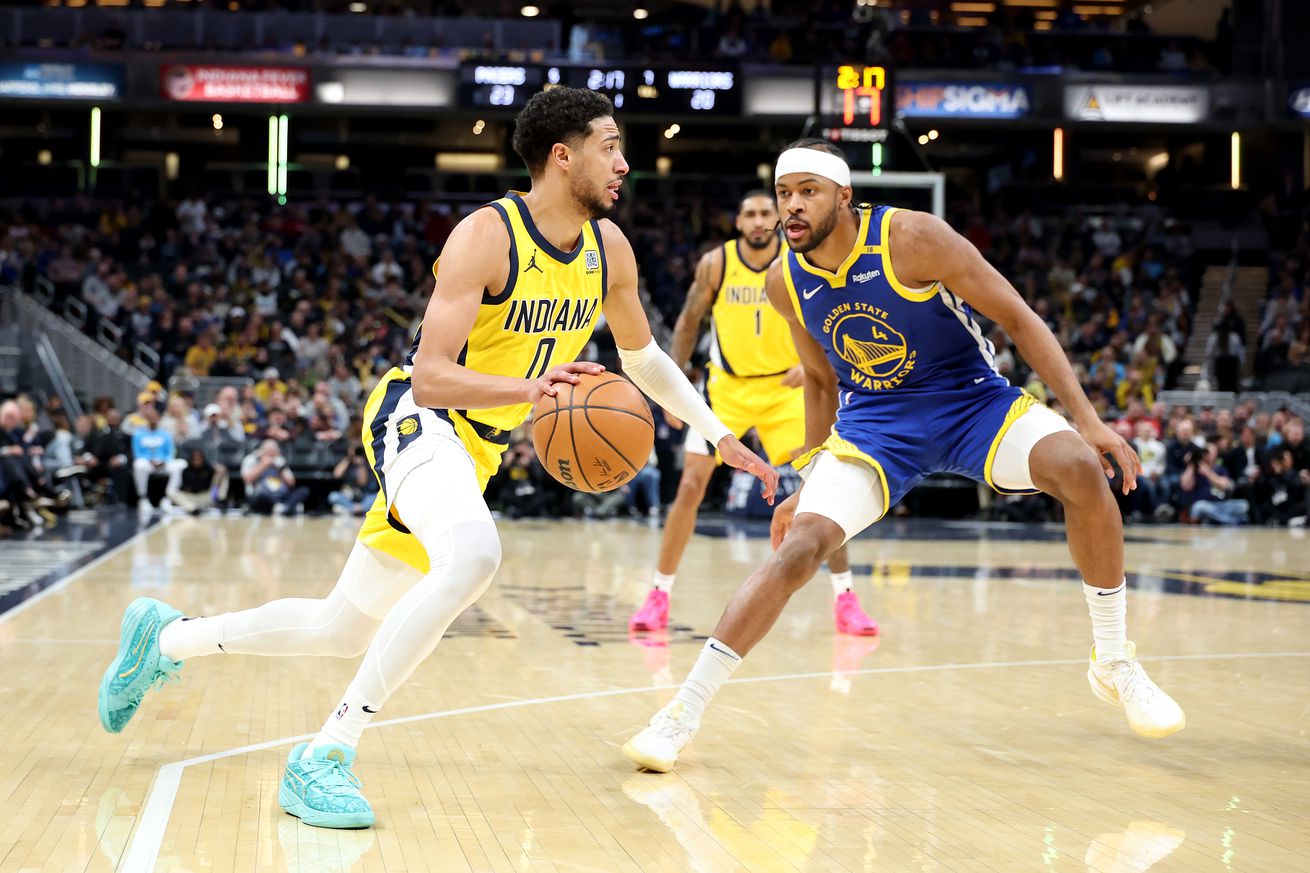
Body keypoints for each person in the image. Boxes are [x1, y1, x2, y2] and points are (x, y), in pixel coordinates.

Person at [97, 88, 775, 830]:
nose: (624, 161)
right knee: (475, 552)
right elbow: (430, 374)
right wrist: (532, 387)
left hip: (473, 451)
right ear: (563, 155)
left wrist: (713, 429)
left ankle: (162, 637)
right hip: (418, 420)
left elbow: (642, 357)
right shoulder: (486, 235)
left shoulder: (610, 247)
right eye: (610, 145)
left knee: (341, 628)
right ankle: (325, 753)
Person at [624, 141, 1185, 774]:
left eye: (808, 191)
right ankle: (681, 714)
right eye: (784, 194)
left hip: (972, 403)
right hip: (876, 427)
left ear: (845, 196)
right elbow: (818, 380)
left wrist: (1086, 418)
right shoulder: (786, 279)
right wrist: (806, 475)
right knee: (800, 546)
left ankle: (1112, 660)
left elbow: (1020, 319)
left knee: (1080, 468)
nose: (792, 207)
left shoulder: (914, 238)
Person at [629, 191, 877, 636]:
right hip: (727, 389)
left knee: (822, 492)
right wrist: (671, 394)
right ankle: (658, 595)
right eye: (750, 214)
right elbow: (687, 322)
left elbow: (834, 315)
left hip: (786, 389)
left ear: (778, 219)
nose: (760, 220)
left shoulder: (798, 261)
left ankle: (845, 599)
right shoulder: (716, 264)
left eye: (767, 212)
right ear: (739, 222)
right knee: (689, 486)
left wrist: (814, 363)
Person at [130, 406, 184, 512]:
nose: (153, 419)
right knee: (139, 465)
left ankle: (168, 498)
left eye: (155, 417)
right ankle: (143, 498)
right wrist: (150, 460)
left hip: (163, 464)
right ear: (146, 418)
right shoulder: (138, 434)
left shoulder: (166, 434)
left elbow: (171, 452)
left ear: (159, 418)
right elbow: (137, 453)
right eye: (150, 417)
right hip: (148, 464)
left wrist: (163, 461)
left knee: (181, 464)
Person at [241, 439, 309, 516]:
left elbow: (291, 483)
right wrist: (264, 464)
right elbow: (248, 479)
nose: (271, 454)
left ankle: (284, 507)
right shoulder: (252, 459)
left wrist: (280, 469)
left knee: (304, 491)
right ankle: (288, 507)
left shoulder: (280, 461)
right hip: (261, 495)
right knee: (262, 497)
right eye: (269, 451)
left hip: (281, 495)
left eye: (274, 451)